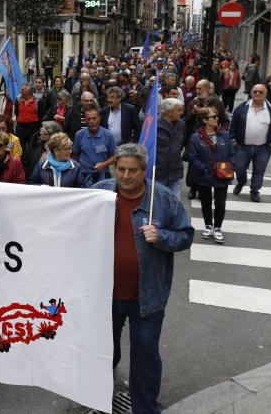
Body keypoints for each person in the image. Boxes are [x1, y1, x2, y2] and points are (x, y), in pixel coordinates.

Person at [92, 143, 194, 414]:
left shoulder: (163, 200)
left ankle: (145, 408)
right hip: (104, 295)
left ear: (144, 170)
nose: (125, 176)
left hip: (146, 299)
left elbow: (186, 236)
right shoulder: (100, 193)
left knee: (145, 358)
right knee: (102, 354)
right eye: (121, 169)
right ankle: (99, 399)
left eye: (132, 171)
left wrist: (162, 238)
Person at [188, 107, 234, 244]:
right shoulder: (196, 138)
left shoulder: (224, 135)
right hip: (204, 175)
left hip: (222, 175)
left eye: (216, 116)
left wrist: (232, 166)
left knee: (220, 203)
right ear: (204, 120)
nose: (216, 118)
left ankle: (218, 228)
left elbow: (232, 153)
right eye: (213, 117)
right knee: (206, 202)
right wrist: (203, 168)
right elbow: (193, 156)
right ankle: (208, 225)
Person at [229, 84, 271, 202]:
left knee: (259, 171)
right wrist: (233, 140)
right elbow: (232, 126)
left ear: (265, 94)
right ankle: (241, 182)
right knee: (239, 169)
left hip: (263, 148)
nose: (257, 94)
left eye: (260, 92)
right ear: (251, 93)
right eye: (255, 91)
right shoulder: (241, 108)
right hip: (242, 147)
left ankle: (254, 191)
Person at [72, 108, 117, 186]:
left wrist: (104, 164)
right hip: (84, 174)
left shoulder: (108, 135)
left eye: (94, 118)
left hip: (103, 174)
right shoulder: (79, 135)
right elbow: (75, 155)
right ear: (85, 120)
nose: (92, 121)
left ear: (99, 119)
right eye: (89, 119)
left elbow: (114, 157)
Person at [156, 98, 186, 196]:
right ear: (168, 112)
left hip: (176, 171)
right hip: (159, 174)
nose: (182, 112)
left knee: (174, 204)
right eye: (179, 110)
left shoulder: (181, 124)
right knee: (161, 204)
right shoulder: (154, 126)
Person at [14, 84, 44, 157]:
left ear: (29, 91)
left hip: (33, 127)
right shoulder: (18, 100)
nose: (21, 91)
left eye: (23, 90)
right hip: (21, 127)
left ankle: (31, 163)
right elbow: (17, 113)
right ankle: (23, 163)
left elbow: (41, 115)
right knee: (21, 147)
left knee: (33, 147)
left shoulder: (38, 100)